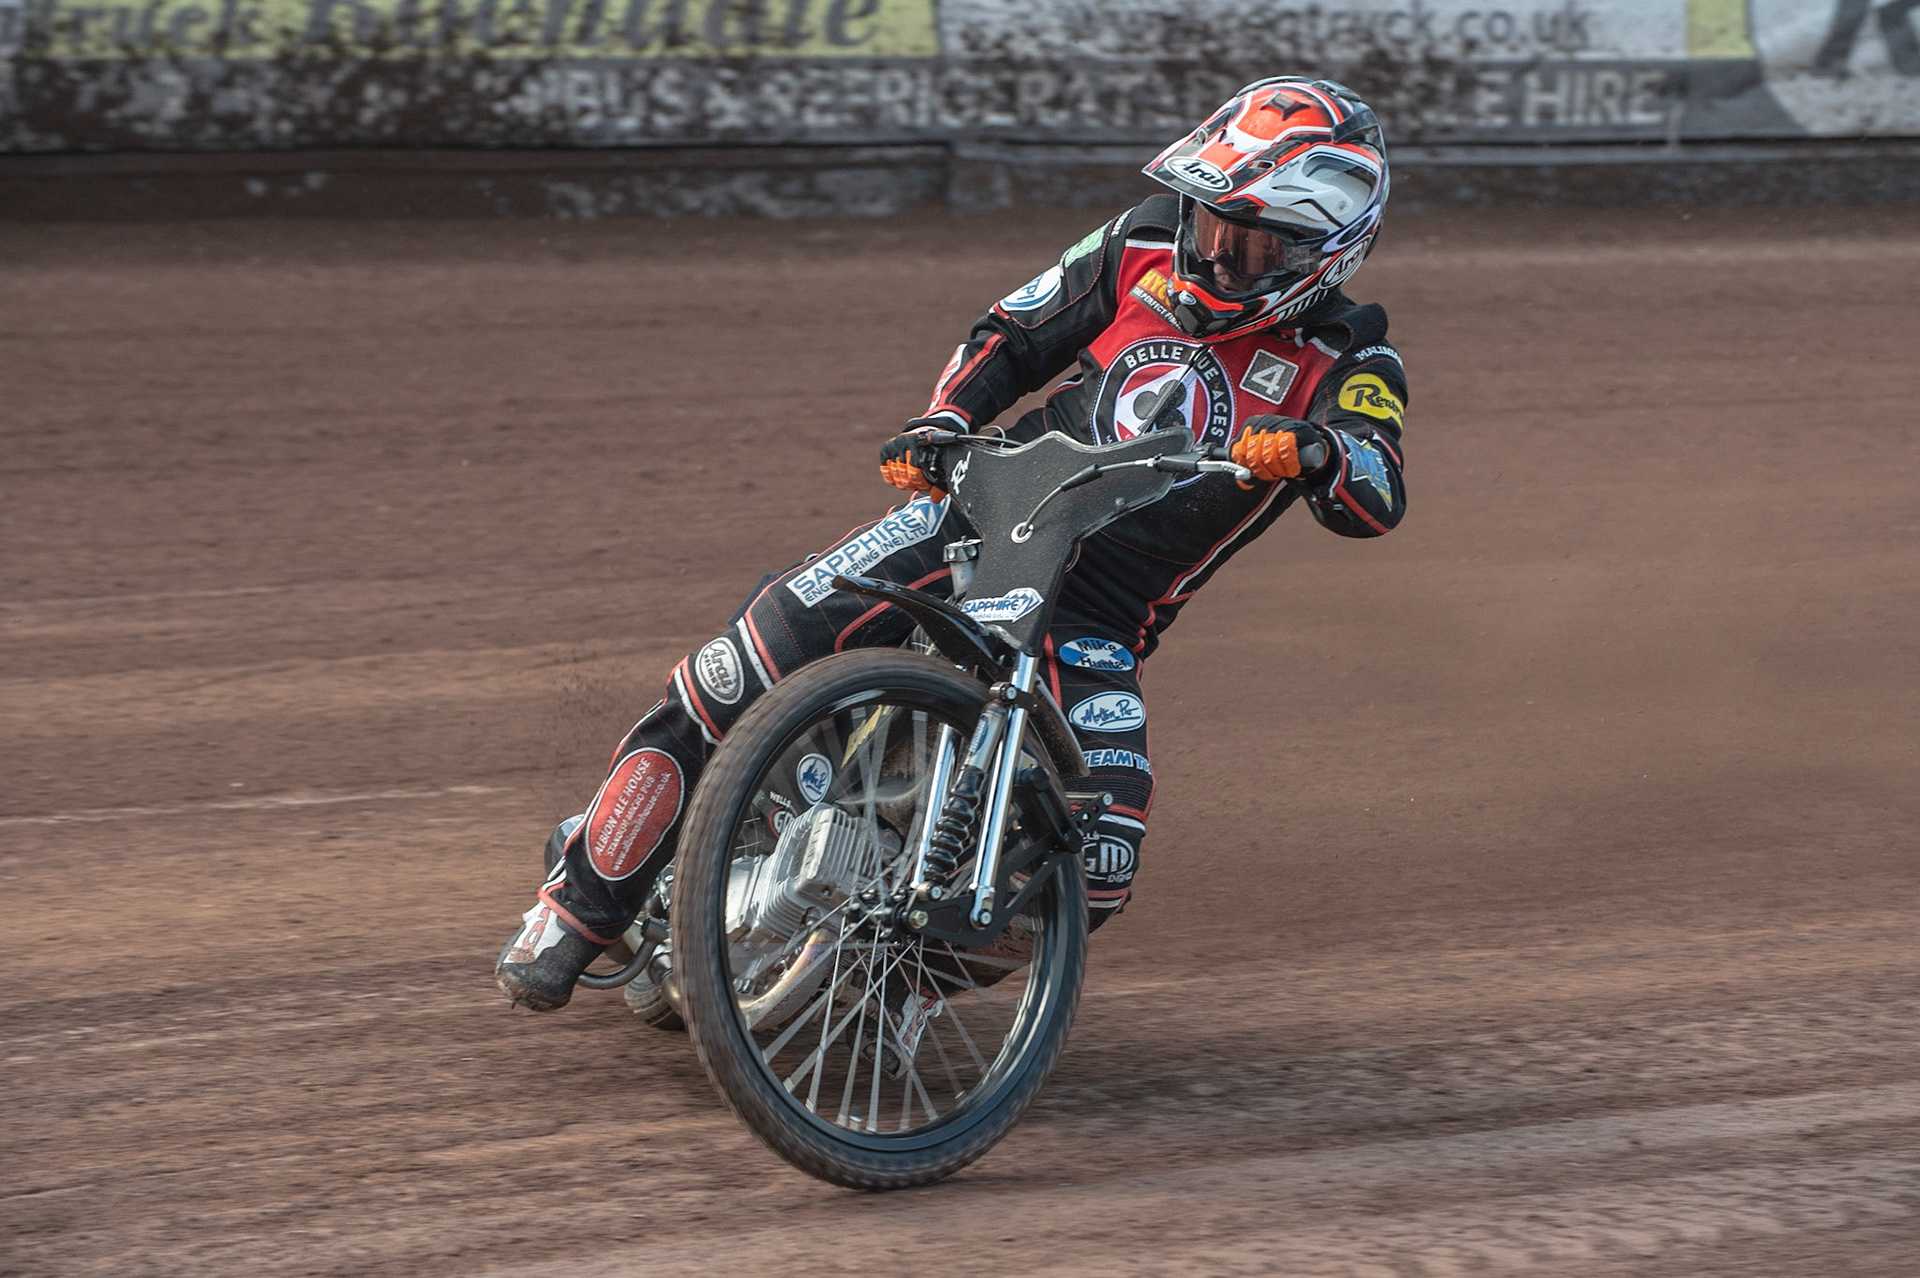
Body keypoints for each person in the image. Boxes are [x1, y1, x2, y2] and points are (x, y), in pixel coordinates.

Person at [497, 77, 1409, 1011]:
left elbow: (1378, 490)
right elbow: (1013, 333)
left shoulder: (1352, 356)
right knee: (735, 672)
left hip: (1095, 617)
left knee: (1098, 864)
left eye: (1249, 238)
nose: (1214, 250)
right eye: (1210, 218)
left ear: (1322, 251)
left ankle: (886, 990)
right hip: (977, 516)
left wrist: (1323, 449)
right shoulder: (1140, 241)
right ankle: (574, 913)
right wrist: (944, 419)